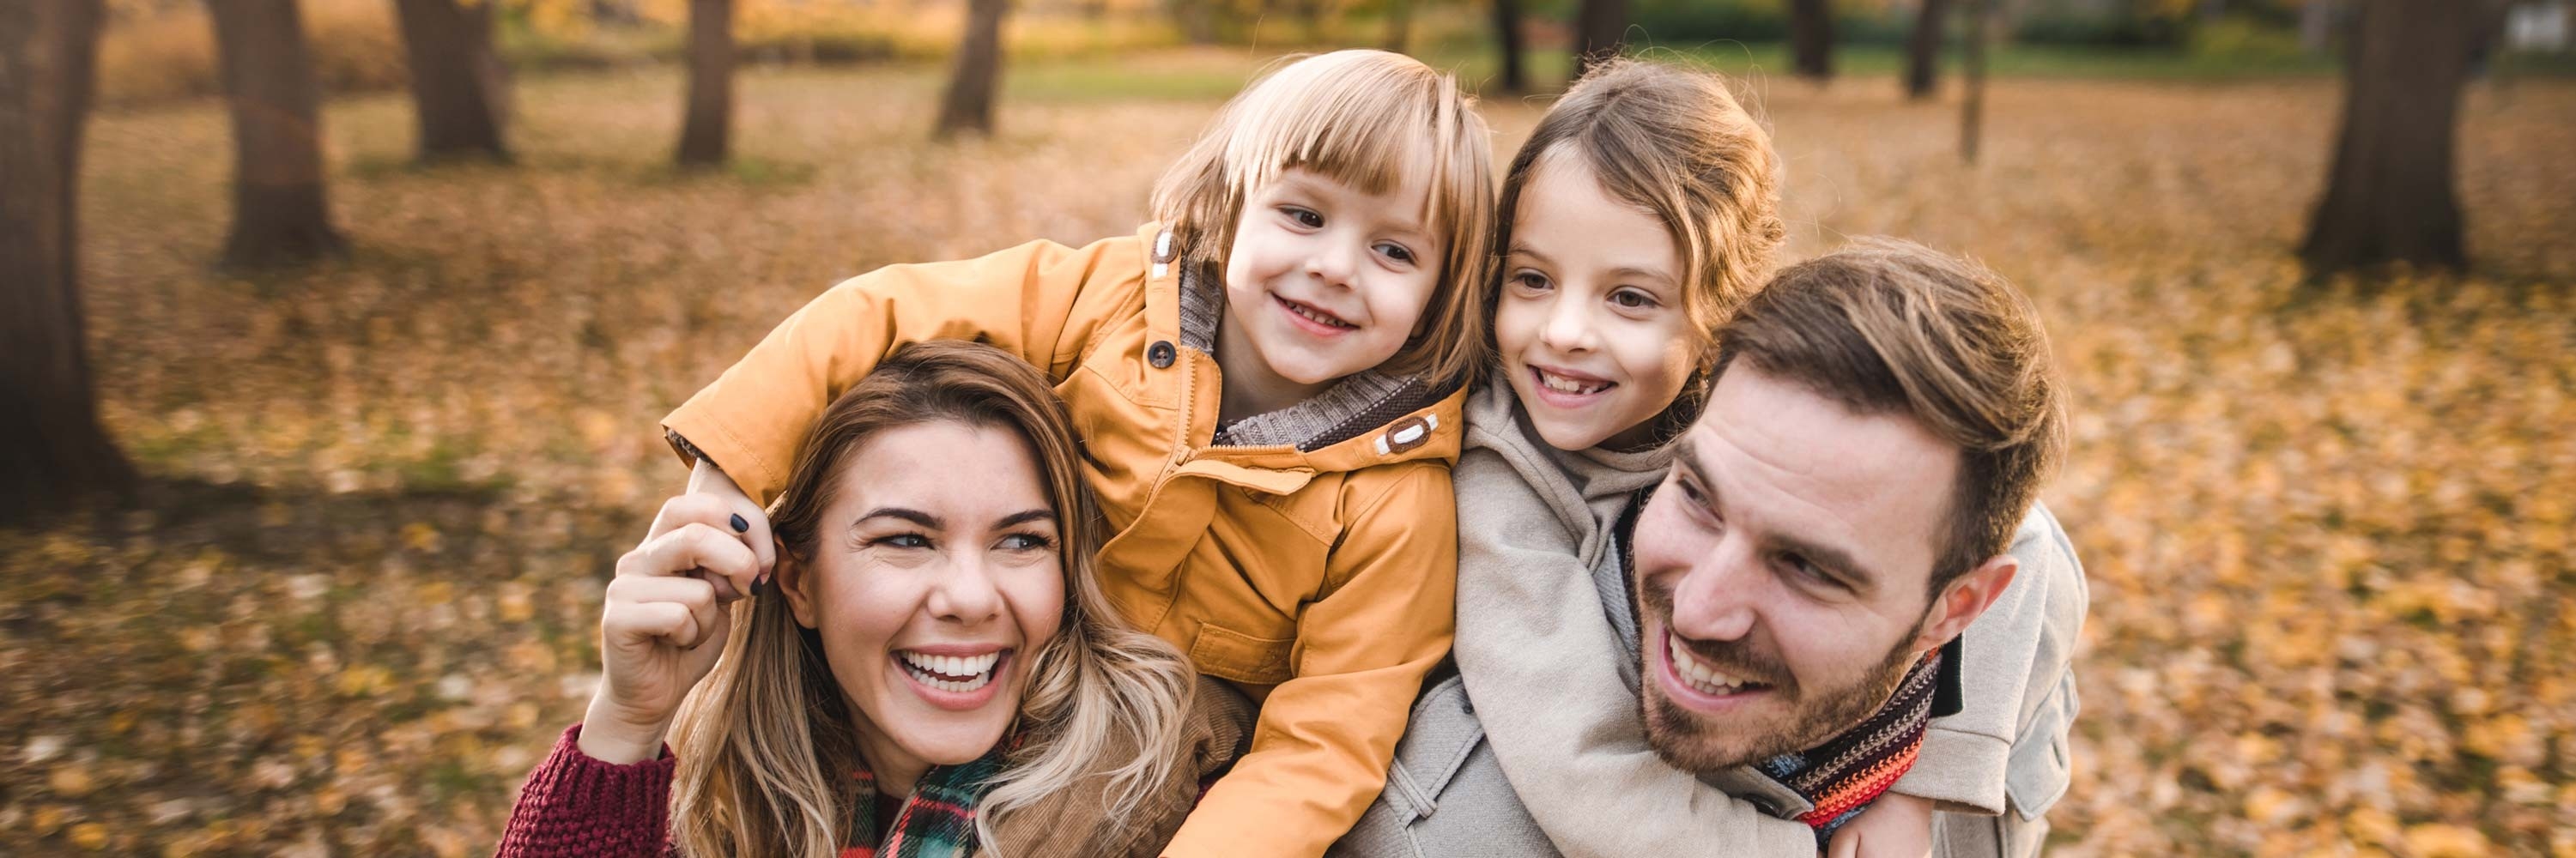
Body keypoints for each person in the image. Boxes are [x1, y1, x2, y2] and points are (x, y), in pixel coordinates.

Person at [649, 50, 1497, 857]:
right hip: (1022, 632)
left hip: (1174, 713)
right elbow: (881, 309)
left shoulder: (1396, 493)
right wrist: (731, 470)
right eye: (1304, 215)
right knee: (815, 710)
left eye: (1394, 250)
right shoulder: (1113, 298)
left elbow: (1330, 738)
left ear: (1436, 296)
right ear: (1232, 206)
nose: (1336, 267)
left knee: (1077, 792)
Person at [1342, 235, 2085, 858]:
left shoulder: (2016, 643)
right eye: (1697, 495)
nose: (1697, 613)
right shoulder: (1452, 834)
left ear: (1958, 609)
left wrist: (1930, 783)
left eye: (1807, 567)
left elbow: (2035, 543)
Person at [495, 341, 1237, 858]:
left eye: (1021, 541)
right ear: (796, 581)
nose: (972, 597)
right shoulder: (740, 803)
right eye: (907, 540)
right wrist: (627, 724)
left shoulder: (1186, 805)